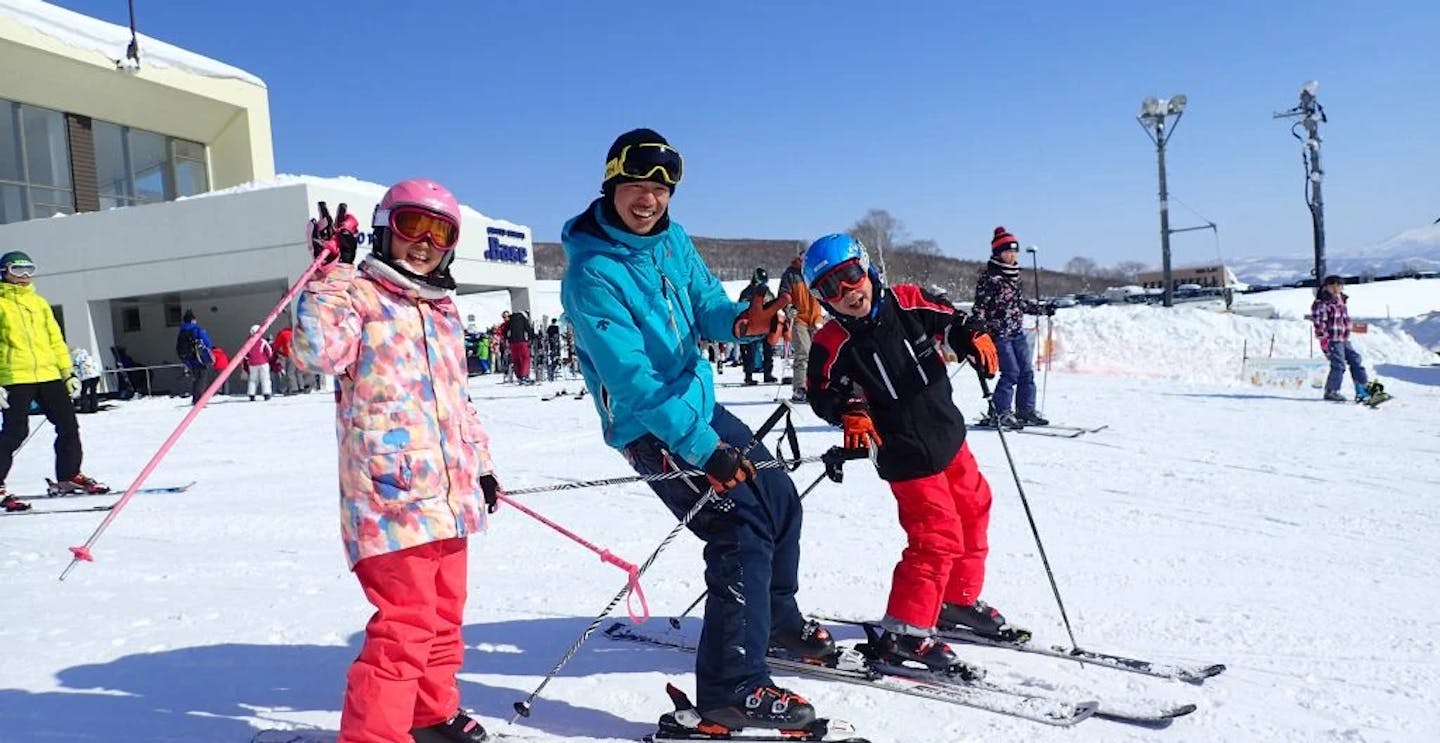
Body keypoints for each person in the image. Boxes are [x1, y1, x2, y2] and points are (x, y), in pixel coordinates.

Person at [560, 128, 830, 731]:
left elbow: (708, 303)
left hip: (696, 401)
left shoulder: (672, 240)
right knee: (738, 528)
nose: (648, 200)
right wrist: (704, 450)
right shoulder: (591, 275)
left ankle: (775, 621)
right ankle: (733, 690)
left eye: (660, 189)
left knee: (779, 495)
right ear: (611, 185)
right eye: (636, 186)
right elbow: (631, 380)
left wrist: (745, 320)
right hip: (648, 421)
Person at [293, 182, 499, 743]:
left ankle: (430, 713)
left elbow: (458, 401)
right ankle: (374, 736)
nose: (425, 243)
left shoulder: (443, 310)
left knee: (444, 619)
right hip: (388, 499)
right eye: (413, 225)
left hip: (449, 497)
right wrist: (328, 273)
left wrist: (480, 465)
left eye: (441, 232)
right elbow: (317, 352)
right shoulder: (359, 295)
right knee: (405, 626)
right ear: (386, 228)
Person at [801, 233, 1016, 671]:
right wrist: (852, 412)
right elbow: (823, 395)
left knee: (975, 509)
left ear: (867, 269)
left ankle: (955, 600)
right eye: (829, 288)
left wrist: (972, 335)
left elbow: (953, 321)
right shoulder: (830, 342)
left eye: (850, 276)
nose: (846, 293)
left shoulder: (908, 300)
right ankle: (905, 631)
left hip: (947, 435)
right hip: (903, 455)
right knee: (936, 536)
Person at [0, 251, 109, 510]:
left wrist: (67, 373)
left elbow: (55, 341)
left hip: (49, 375)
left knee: (68, 425)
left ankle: (69, 477)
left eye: (30, 270)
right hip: (14, 376)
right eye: (18, 270)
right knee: (16, 431)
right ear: (4, 272)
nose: (25, 276)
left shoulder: (39, 303)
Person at [971, 227, 1054, 429]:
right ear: (998, 253)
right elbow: (979, 306)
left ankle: (1025, 410)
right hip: (999, 334)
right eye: (1007, 251)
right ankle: (1000, 412)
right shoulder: (990, 279)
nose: (1012, 255)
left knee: (1026, 372)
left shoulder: (1013, 277)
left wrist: (1043, 310)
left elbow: (1020, 305)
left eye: (1014, 251)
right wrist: (978, 323)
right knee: (1011, 373)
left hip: (1017, 332)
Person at [1312, 275, 1371, 402]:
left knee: (1355, 360)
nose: (1335, 288)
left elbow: (1344, 319)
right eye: (1332, 286)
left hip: (1343, 337)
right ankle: (1331, 391)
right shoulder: (1322, 303)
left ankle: (1362, 389)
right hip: (1331, 339)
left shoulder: (1341, 301)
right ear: (1326, 287)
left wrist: (1348, 328)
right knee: (1338, 365)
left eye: (1338, 286)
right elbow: (1319, 323)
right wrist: (1324, 342)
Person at [779, 254, 823, 403]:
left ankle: (816, 387)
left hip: (816, 318)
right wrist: (788, 308)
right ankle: (799, 388)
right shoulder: (791, 274)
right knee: (803, 352)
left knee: (819, 355)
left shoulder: (815, 270)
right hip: (799, 318)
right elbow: (783, 294)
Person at [737, 267, 778, 385]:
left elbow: (773, 304)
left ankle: (768, 373)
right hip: (752, 326)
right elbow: (742, 307)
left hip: (766, 325)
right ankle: (748, 375)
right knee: (749, 351)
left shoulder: (768, 292)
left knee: (768, 350)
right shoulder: (747, 292)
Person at [176, 309, 216, 406]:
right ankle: (199, 400)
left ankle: (195, 399)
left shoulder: (181, 331)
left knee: (196, 378)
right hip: (198, 358)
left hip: (187, 359)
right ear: (192, 320)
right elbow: (208, 343)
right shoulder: (196, 330)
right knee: (201, 378)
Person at [243, 326, 275, 401]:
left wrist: (248, 360)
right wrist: (268, 359)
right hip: (263, 363)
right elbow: (269, 352)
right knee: (265, 379)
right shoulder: (262, 341)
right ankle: (266, 394)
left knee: (252, 379)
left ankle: (251, 394)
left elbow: (245, 353)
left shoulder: (248, 342)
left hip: (252, 364)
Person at [71, 346, 103, 414]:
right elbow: (96, 365)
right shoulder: (89, 356)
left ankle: (84, 408)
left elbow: (76, 369)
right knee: (93, 391)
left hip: (86, 376)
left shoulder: (78, 358)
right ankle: (94, 408)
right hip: (95, 375)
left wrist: (77, 376)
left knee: (84, 392)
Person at [504, 309, 533, 384]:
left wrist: (508, 339)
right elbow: (528, 329)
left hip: (512, 343)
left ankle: (519, 375)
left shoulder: (510, 320)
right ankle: (524, 375)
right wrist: (532, 337)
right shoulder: (523, 319)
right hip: (522, 341)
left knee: (516, 360)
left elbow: (505, 332)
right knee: (525, 358)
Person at [273, 325, 300, 394]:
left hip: (286, 355)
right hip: (295, 355)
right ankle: (294, 388)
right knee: (292, 372)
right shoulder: (294, 334)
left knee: (285, 373)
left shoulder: (282, 334)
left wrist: (277, 352)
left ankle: (288, 389)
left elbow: (276, 345)